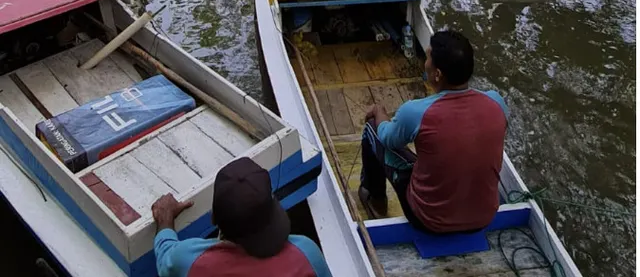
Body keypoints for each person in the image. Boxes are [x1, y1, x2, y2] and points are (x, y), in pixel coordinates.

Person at [358, 29, 508, 234]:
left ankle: (375, 201)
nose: (425, 62)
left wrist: (379, 112)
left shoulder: (415, 111)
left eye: (428, 57)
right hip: (485, 217)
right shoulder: (496, 102)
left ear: (437, 74)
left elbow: (388, 139)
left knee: (372, 130)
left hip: (429, 221)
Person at [152, 157, 332, 277]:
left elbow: (165, 257)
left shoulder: (188, 261)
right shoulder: (307, 254)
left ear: (214, 218)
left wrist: (165, 221)